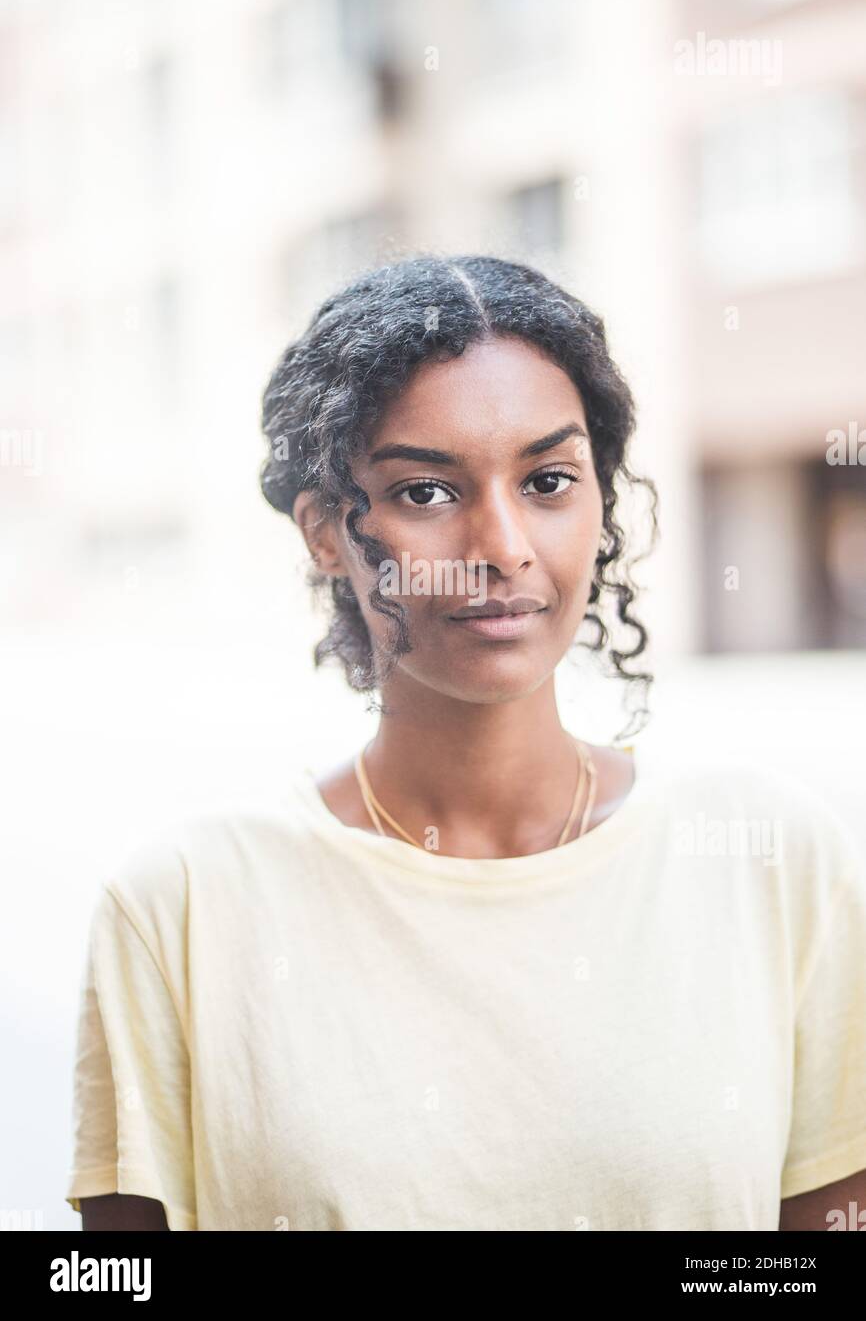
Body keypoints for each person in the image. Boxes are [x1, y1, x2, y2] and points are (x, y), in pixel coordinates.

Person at [65, 254, 866, 1231]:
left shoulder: (771, 856)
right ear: (325, 531)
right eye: (425, 493)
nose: (501, 545)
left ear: (598, 504)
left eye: (547, 479)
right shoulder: (181, 906)